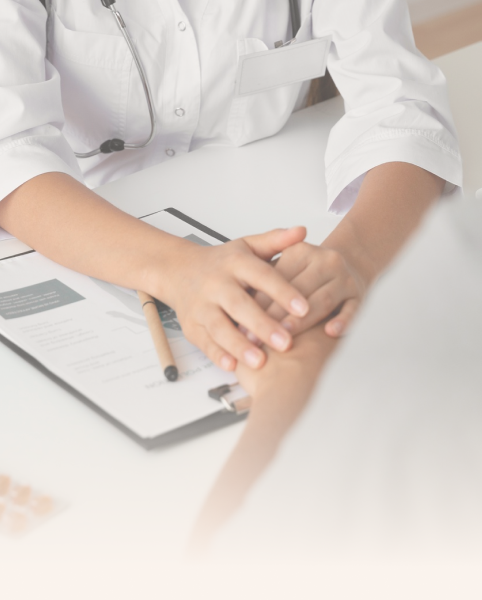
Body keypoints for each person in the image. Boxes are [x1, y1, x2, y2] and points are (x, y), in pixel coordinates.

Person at [0, 0, 461, 374]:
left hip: (268, 222)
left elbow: (402, 107)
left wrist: (354, 260)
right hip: (77, 234)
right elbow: (11, 149)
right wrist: (177, 269)